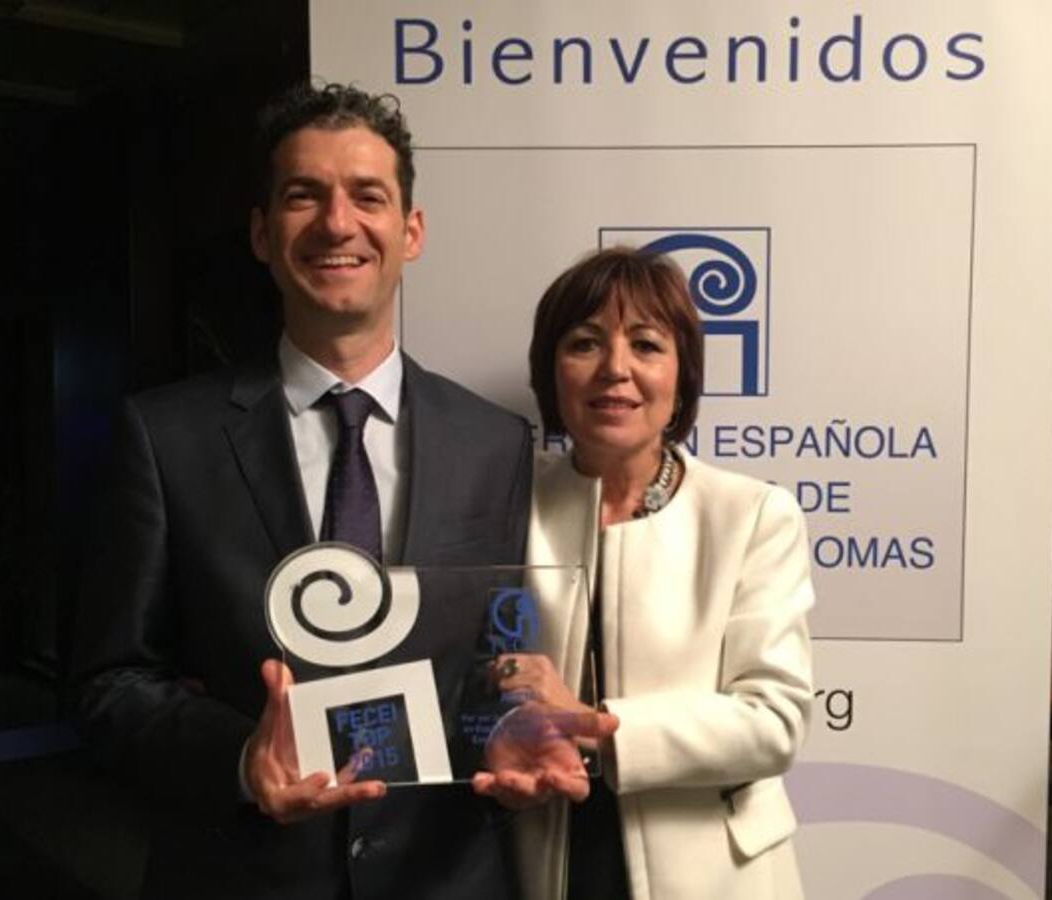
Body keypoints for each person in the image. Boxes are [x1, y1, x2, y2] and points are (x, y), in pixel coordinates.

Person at [72, 82, 532, 900]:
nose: (337, 224)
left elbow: (498, 660)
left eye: (368, 196)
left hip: (442, 877)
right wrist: (240, 757)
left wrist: (526, 719)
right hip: (239, 876)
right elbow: (109, 685)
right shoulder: (164, 437)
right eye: (303, 196)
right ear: (262, 232)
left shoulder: (495, 443)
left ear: (411, 231)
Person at [478, 246, 814, 899]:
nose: (616, 369)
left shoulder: (751, 515)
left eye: (646, 345)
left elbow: (773, 722)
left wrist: (592, 723)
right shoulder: (506, 505)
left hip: (716, 874)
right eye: (584, 344)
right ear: (550, 373)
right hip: (547, 857)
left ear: (681, 375)